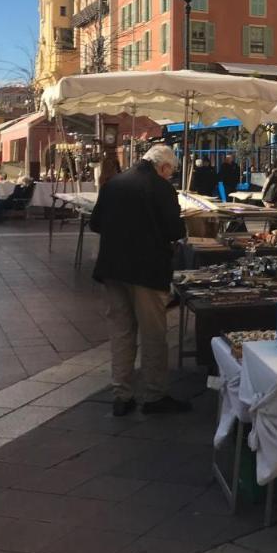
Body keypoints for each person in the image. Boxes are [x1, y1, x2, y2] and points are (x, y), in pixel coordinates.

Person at [89, 144, 190, 417]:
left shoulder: (115, 183)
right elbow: (174, 229)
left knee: (121, 332)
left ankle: (122, 395)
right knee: (153, 333)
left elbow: (95, 223)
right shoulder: (161, 189)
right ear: (164, 167)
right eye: (171, 171)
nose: (170, 176)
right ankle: (154, 395)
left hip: (112, 269)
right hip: (147, 271)